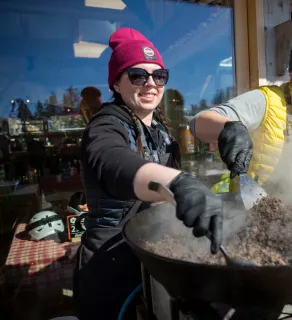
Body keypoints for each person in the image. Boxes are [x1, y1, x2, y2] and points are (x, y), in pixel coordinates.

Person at [74, 28, 223, 320]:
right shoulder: (105, 126)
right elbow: (113, 162)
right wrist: (176, 182)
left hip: (154, 260)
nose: (151, 84)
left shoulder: (161, 132)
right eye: (138, 75)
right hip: (110, 269)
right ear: (116, 83)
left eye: (159, 76)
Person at [190, 32, 292, 196]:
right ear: (291, 70)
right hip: (257, 212)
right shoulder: (266, 100)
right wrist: (230, 128)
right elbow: (198, 123)